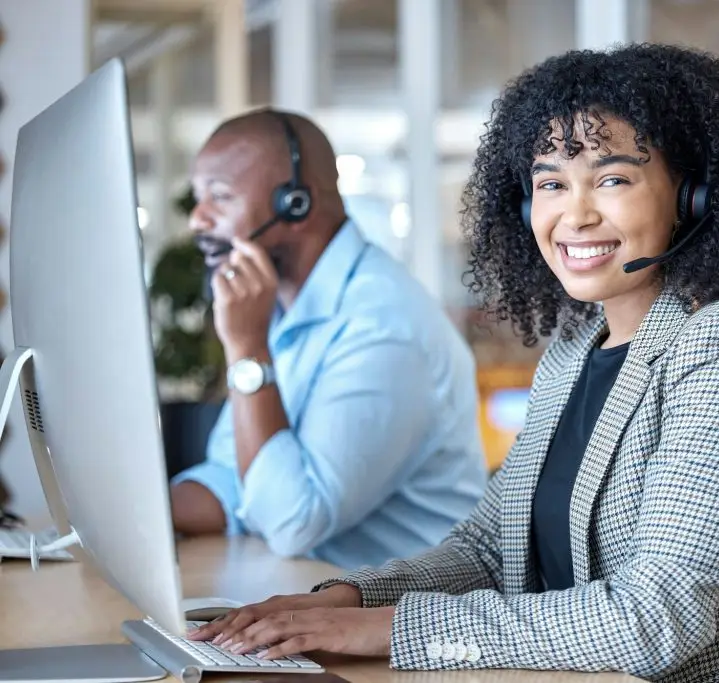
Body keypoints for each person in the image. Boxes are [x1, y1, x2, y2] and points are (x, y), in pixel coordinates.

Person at [187, 45, 719, 682]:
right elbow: (486, 549)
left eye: (613, 178)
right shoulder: (574, 352)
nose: (574, 213)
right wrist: (344, 601)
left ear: (692, 198)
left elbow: (655, 619)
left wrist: (392, 630)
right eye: (551, 183)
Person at [169, 108, 488, 569]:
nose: (198, 221)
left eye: (219, 197)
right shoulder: (279, 307)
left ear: (295, 205)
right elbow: (236, 478)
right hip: (302, 594)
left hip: (397, 620)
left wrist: (247, 352)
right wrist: (121, 514)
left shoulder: (384, 325)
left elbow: (293, 520)